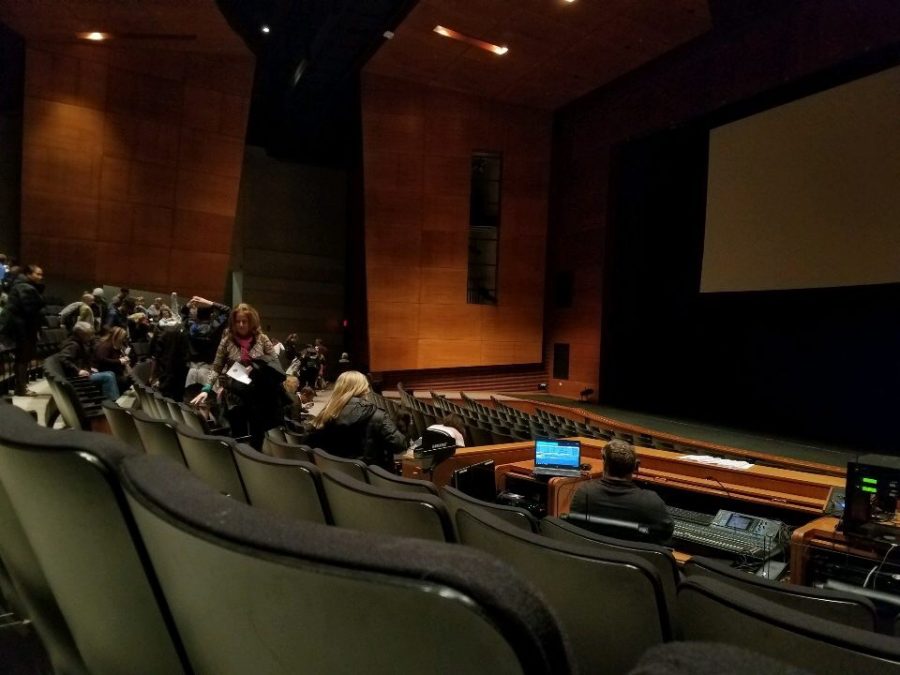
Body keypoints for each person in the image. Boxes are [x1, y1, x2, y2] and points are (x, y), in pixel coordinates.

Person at [190, 303, 279, 448]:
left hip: (258, 394)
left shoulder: (263, 339)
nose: (241, 325)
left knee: (258, 436)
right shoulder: (227, 341)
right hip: (235, 394)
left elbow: (275, 363)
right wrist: (206, 389)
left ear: (252, 322)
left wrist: (257, 366)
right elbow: (216, 367)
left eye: (245, 321)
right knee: (238, 436)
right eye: (238, 321)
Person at [569, 439, 674, 545]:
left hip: (592, 556)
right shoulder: (651, 501)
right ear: (636, 466)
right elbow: (665, 535)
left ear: (604, 461)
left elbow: (576, 528)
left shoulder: (584, 493)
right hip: (633, 560)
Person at [305, 370, 406, 471]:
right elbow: (400, 446)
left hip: (336, 479)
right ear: (365, 389)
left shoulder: (325, 415)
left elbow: (312, 447)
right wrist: (401, 425)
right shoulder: (377, 415)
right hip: (371, 479)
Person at [0, 264, 45, 396]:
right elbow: (30, 310)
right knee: (22, 359)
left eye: (41, 274)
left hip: (20, 327)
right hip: (20, 329)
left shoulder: (24, 286)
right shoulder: (25, 287)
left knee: (22, 359)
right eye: (38, 274)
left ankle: (21, 387)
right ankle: (21, 388)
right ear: (28, 274)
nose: (40, 277)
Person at [57, 321, 119, 400]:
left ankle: (113, 403)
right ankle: (111, 405)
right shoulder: (73, 345)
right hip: (76, 377)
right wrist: (78, 371)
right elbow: (63, 358)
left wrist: (89, 368)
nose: (90, 337)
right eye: (88, 334)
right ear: (80, 333)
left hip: (83, 373)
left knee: (110, 373)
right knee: (108, 377)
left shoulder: (79, 342)